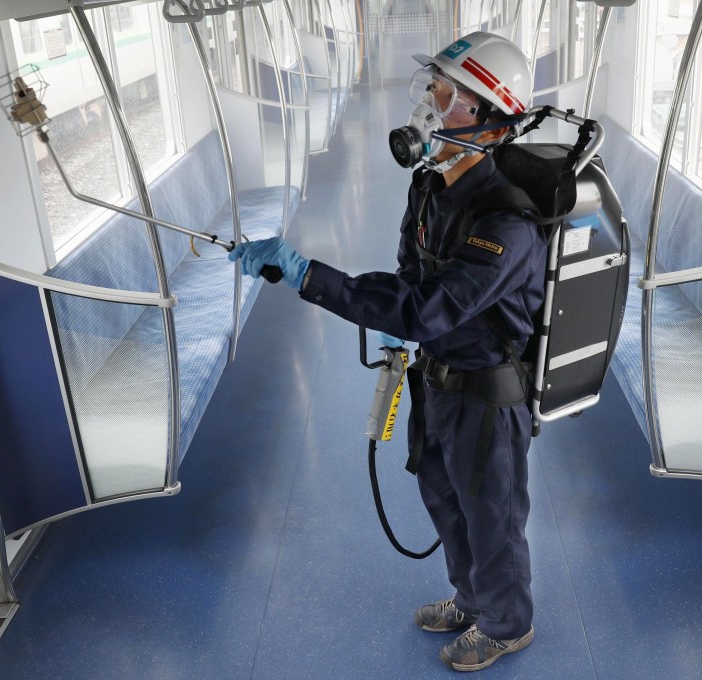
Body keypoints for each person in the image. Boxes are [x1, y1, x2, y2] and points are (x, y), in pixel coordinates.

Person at [229, 32, 543, 672]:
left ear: (486, 120)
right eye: (433, 85)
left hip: (487, 392)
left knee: (491, 514)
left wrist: (308, 275)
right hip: (436, 376)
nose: (429, 101)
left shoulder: (506, 221)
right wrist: (406, 343)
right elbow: (410, 277)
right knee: (440, 492)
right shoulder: (429, 187)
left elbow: (428, 308)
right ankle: (471, 596)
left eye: (448, 93)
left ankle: (507, 623)